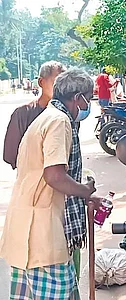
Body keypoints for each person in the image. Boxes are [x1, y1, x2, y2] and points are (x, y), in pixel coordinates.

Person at [0, 68, 102, 299]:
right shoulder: (58, 121)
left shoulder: (47, 116)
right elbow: (54, 176)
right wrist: (85, 191)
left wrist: (85, 195)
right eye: (90, 98)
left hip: (28, 228)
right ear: (78, 98)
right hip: (40, 235)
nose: (89, 105)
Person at [3, 61, 66, 169]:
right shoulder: (23, 114)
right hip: (32, 180)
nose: (62, 89)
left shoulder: (68, 114)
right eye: (56, 83)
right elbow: (10, 156)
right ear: (41, 82)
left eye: (65, 84)